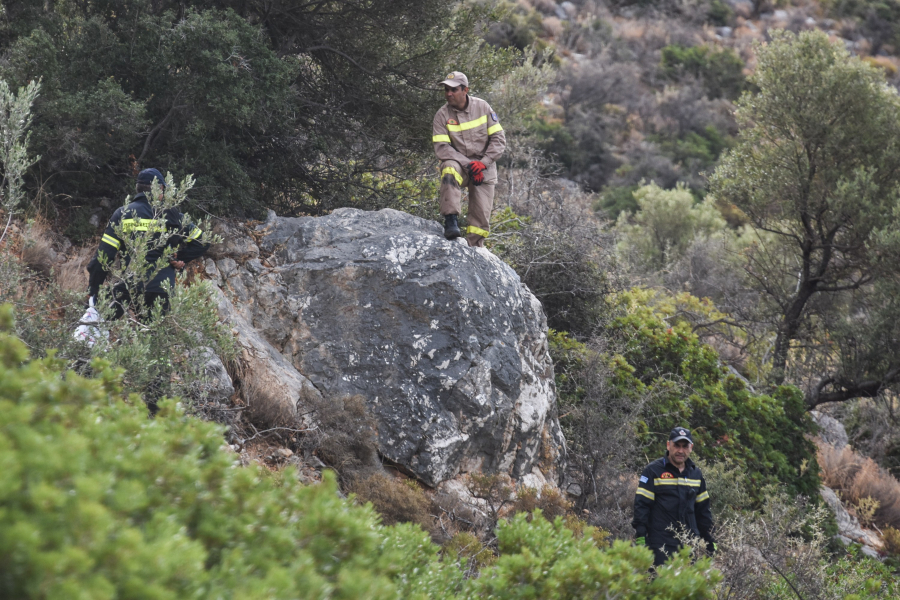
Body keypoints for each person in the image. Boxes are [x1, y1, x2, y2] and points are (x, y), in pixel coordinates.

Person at [86, 168, 210, 320]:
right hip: (162, 287)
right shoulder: (174, 216)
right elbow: (203, 241)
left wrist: (93, 291)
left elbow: (103, 258)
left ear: (138, 188)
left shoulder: (123, 214)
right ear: (161, 188)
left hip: (131, 285)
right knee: (152, 337)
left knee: (99, 321)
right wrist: (179, 258)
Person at [432, 71, 507, 247]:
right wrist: (469, 164)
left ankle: (474, 247)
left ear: (465, 90)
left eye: (453, 89)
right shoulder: (441, 115)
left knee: (480, 221)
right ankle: (451, 221)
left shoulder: (483, 107)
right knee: (448, 167)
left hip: (484, 168)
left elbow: (499, 140)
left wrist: (483, 163)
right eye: (446, 89)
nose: (448, 93)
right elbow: (442, 148)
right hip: (460, 165)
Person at [632, 426, 716, 567]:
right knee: (659, 586)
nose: (680, 451)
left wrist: (709, 538)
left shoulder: (696, 475)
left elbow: (703, 510)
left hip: (689, 544)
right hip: (660, 544)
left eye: (685, 446)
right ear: (668, 445)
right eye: (676, 445)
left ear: (691, 447)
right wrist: (641, 538)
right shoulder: (652, 471)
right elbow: (641, 506)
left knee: (687, 587)